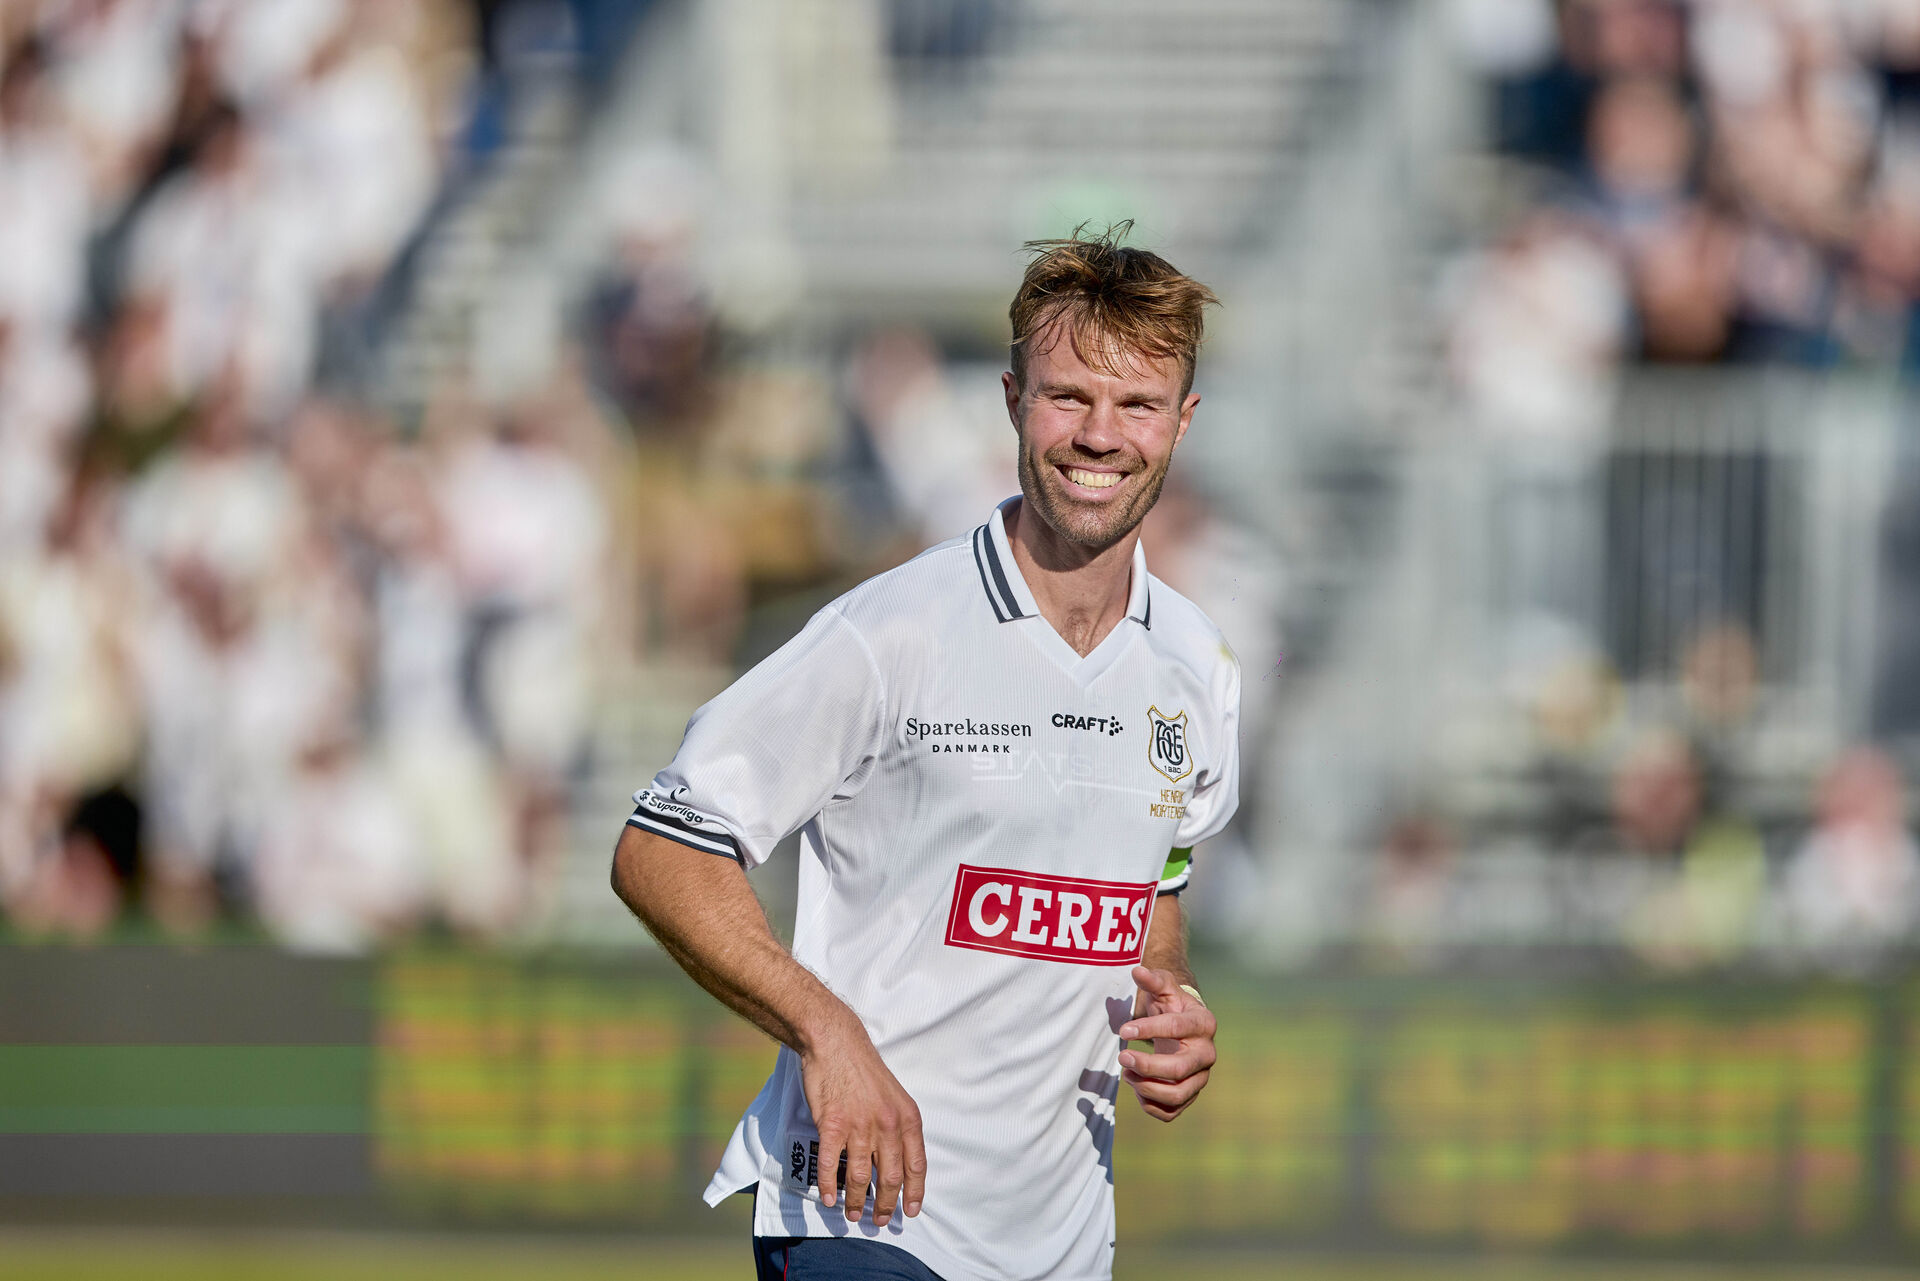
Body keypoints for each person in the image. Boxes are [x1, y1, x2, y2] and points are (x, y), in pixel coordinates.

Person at [609, 225, 1240, 1281]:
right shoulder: (890, 632)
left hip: (1060, 1240)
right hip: (866, 1219)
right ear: (1010, 401)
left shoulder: (1196, 664)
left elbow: (1152, 883)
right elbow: (661, 847)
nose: (1099, 435)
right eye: (1067, 397)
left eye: (1135, 405)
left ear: (1182, 423)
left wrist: (1169, 1006)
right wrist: (829, 1033)